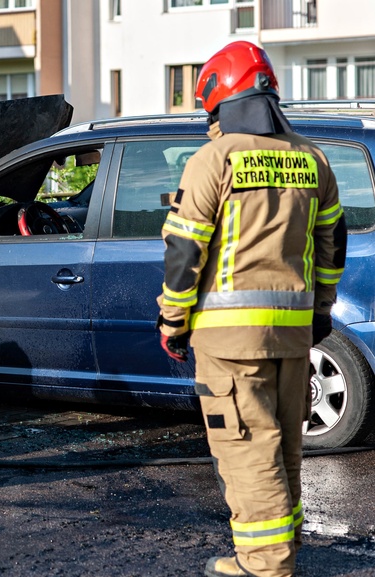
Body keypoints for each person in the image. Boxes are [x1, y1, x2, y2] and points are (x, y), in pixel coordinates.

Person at [156, 41, 346, 577]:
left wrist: (173, 320)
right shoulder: (313, 158)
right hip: (293, 335)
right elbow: (333, 244)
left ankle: (265, 565)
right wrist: (320, 310)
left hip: (229, 340)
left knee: (246, 448)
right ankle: (281, 551)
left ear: (220, 99)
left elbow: (185, 250)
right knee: (283, 445)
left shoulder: (213, 159)